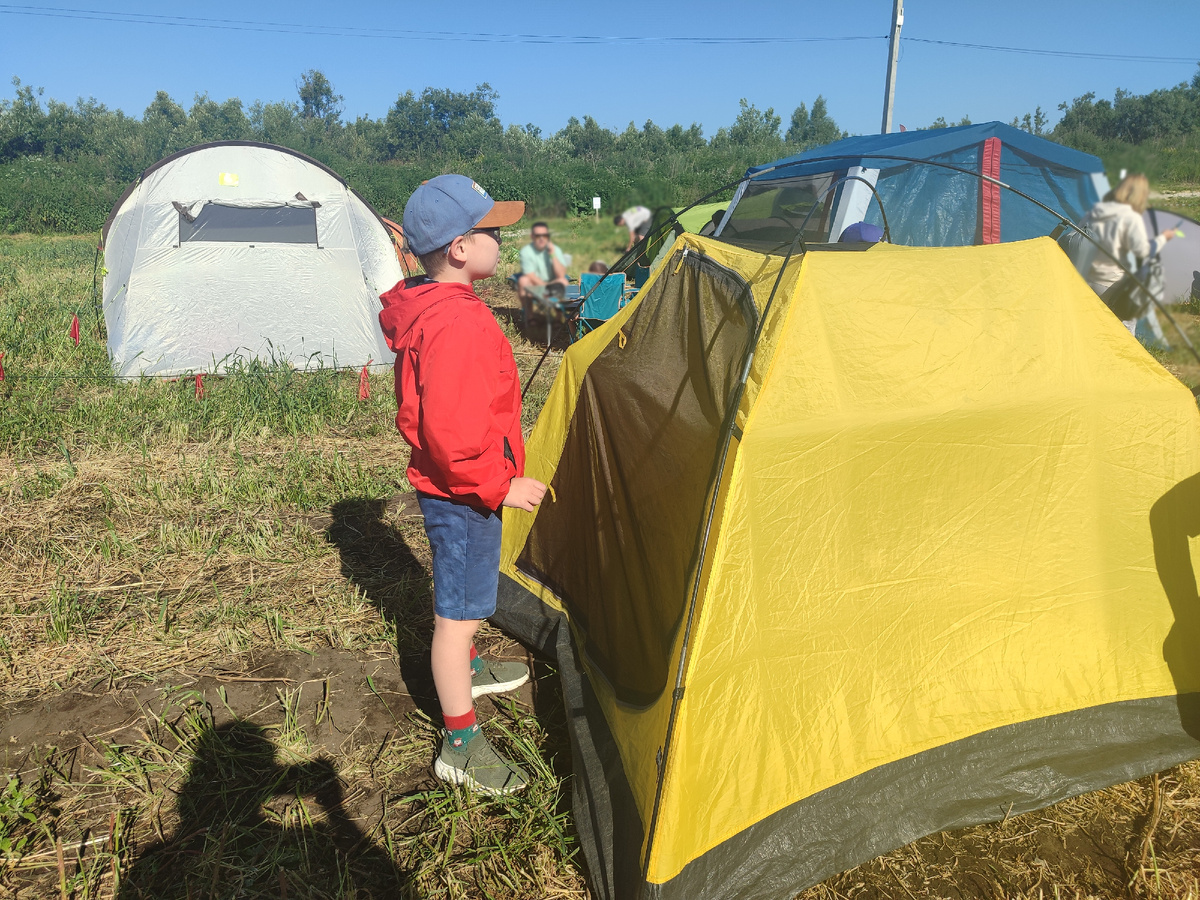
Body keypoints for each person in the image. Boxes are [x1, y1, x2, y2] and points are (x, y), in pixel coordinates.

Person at [379, 175, 548, 794]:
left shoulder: (444, 308)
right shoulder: (455, 326)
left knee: (467, 604)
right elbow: (451, 436)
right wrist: (498, 488)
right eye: (492, 231)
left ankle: (470, 667)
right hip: (465, 495)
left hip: (463, 488)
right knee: (456, 617)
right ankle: (459, 741)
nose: (501, 240)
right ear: (459, 248)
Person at [1080, 173, 1177, 342]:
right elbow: (1144, 251)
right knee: (1127, 322)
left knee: (1091, 325)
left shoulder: (1095, 211)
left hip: (1083, 278)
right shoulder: (1130, 218)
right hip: (1109, 283)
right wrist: (1164, 237)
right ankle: (1127, 359)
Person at [516, 221, 569, 325]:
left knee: (563, 281)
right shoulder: (526, 251)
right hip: (535, 283)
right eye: (538, 235)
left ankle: (559, 317)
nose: (541, 238)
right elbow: (530, 275)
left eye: (544, 235)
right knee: (523, 281)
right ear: (532, 236)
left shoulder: (555, 250)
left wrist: (552, 254)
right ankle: (530, 317)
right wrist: (545, 287)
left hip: (552, 282)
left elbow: (561, 274)